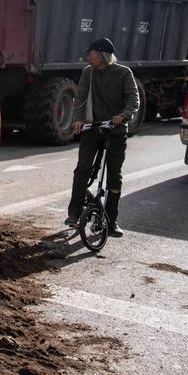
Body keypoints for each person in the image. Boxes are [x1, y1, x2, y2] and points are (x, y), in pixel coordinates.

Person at [65, 38, 140, 237]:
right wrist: (78, 120)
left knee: (114, 174)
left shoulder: (124, 73)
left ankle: (112, 220)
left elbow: (133, 98)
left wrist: (124, 115)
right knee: (82, 168)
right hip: (93, 128)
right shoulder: (87, 73)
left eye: (92, 53)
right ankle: (74, 212)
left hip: (115, 131)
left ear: (102, 55)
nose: (88, 56)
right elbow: (80, 99)